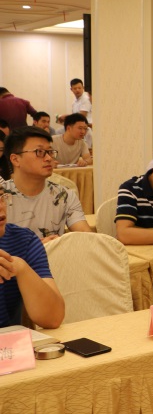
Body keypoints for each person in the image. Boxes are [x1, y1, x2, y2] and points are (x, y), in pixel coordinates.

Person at [2, 127, 92, 241]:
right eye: (39, 152)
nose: (49, 158)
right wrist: (35, 247)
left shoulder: (64, 195)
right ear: (15, 159)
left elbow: (85, 235)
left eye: (50, 152)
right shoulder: (2, 196)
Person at [0, 192, 65, 328]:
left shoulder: (24, 241)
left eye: (0, 197)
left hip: (10, 340)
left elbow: (53, 318)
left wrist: (20, 267)